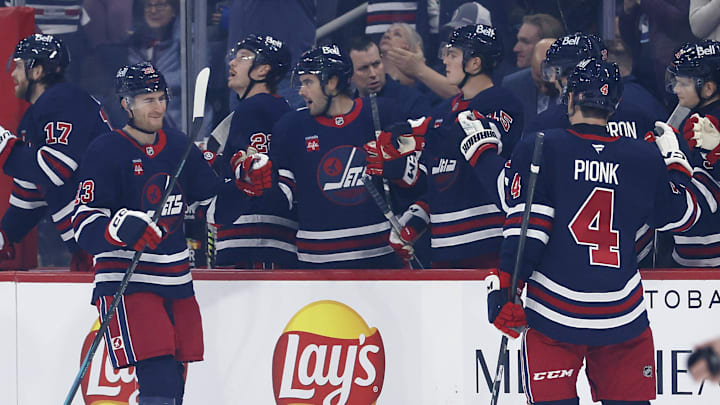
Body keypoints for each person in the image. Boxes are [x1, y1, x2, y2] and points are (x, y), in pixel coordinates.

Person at [476, 59, 701, 405]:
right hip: (622, 315)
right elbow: (679, 215)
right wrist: (674, 162)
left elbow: (528, 226)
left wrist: (506, 289)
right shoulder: (641, 156)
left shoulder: (542, 146)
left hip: (554, 315)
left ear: (569, 100)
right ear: (615, 105)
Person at [71, 62, 237, 404]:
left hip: (176, 281)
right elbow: (83, 222)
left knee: (174, 386)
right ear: (126, 104)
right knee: (159, 382)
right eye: (148, 99)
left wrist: (245, 189)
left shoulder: (179, 146)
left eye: (161, 97)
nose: (159, 106)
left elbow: (214, 207)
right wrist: (119, 229)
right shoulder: (105, 151)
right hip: (128, 283)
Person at [265, 44, 423, 268]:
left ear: (331, 82)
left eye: (308, 82)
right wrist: (256, 182)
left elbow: (420, 181)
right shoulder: (289, 128)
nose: (301, 91)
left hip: (381, 263)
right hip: (315, 268)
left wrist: (398, 168)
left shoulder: (385, 113)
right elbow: (282, 201)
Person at [388, 24, 523, 268]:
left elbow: (469, 141)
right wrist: (417, 215)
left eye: (453, 55)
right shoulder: (444, 111)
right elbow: (441, 176)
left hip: (489, 248)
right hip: (443, 251)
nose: (445, 61)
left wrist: (420, 135)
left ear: (474, 63)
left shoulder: (501, 101)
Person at [0, 34, 111, 271]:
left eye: (18, 66)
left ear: (37, 71)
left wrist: (3, 146)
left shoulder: (64, 100)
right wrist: (4, 238)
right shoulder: (37, 116)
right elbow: (27, 202)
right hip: (93, 248)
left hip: (110, 244)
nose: (13, 74)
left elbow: (55, 169)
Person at [206, 34, 297, 269]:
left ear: (262, 70)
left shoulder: (254, 109)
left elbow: (250, 177)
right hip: (274, 238)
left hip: (251, 238)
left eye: (243, 58)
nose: (232, 64)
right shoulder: (282, 109)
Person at [663, 39, 720, 267]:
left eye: (683, 83)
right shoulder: (688, 118)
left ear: (708, 87)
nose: (676, 90)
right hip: (688, 252)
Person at [349, 36, 434, 119]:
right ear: (350, 74)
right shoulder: (345, 110)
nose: (373, 74)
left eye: (376, 64)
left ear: (383, 61)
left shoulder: (411, 100)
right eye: (363, 68)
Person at [503, 37, 558, 130]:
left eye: (547, 81)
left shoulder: (573, 89)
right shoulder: (513, 84)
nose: (544, 88)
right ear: (531, 66)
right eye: (538, 79)